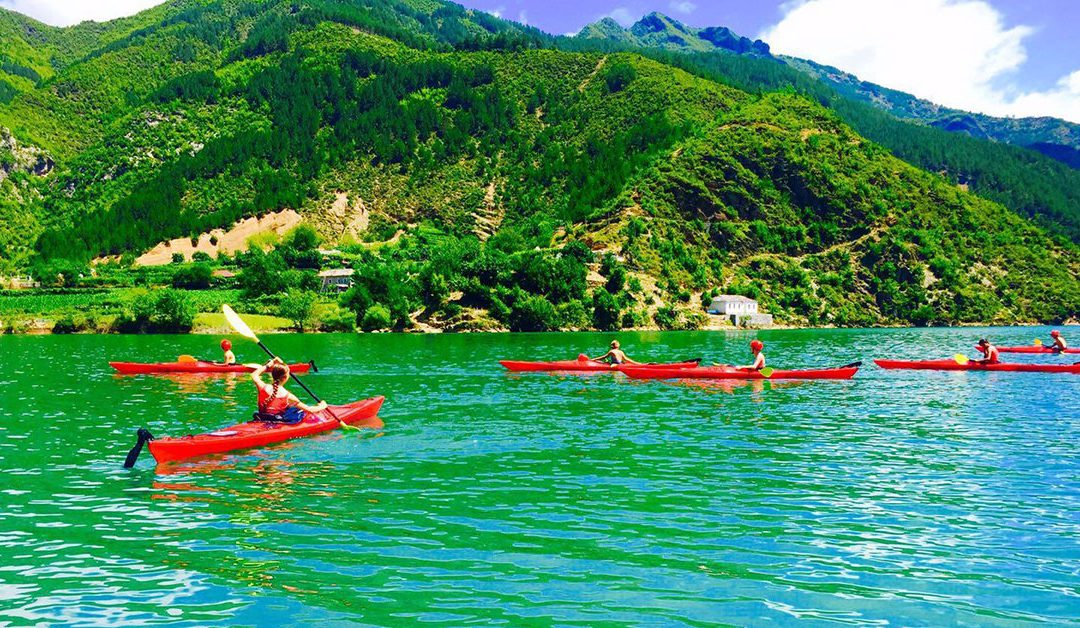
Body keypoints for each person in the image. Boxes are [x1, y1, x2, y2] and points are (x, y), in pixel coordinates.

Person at [251, 358, 327, 423]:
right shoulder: (288, 396)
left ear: (272, 375)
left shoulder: (263, 386)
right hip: (276, 423)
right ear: (285, 377)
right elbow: (310, 410)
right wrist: (323, 406)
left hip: (261, 418)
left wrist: (268, 365)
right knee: (298, 412)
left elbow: (254, 374)